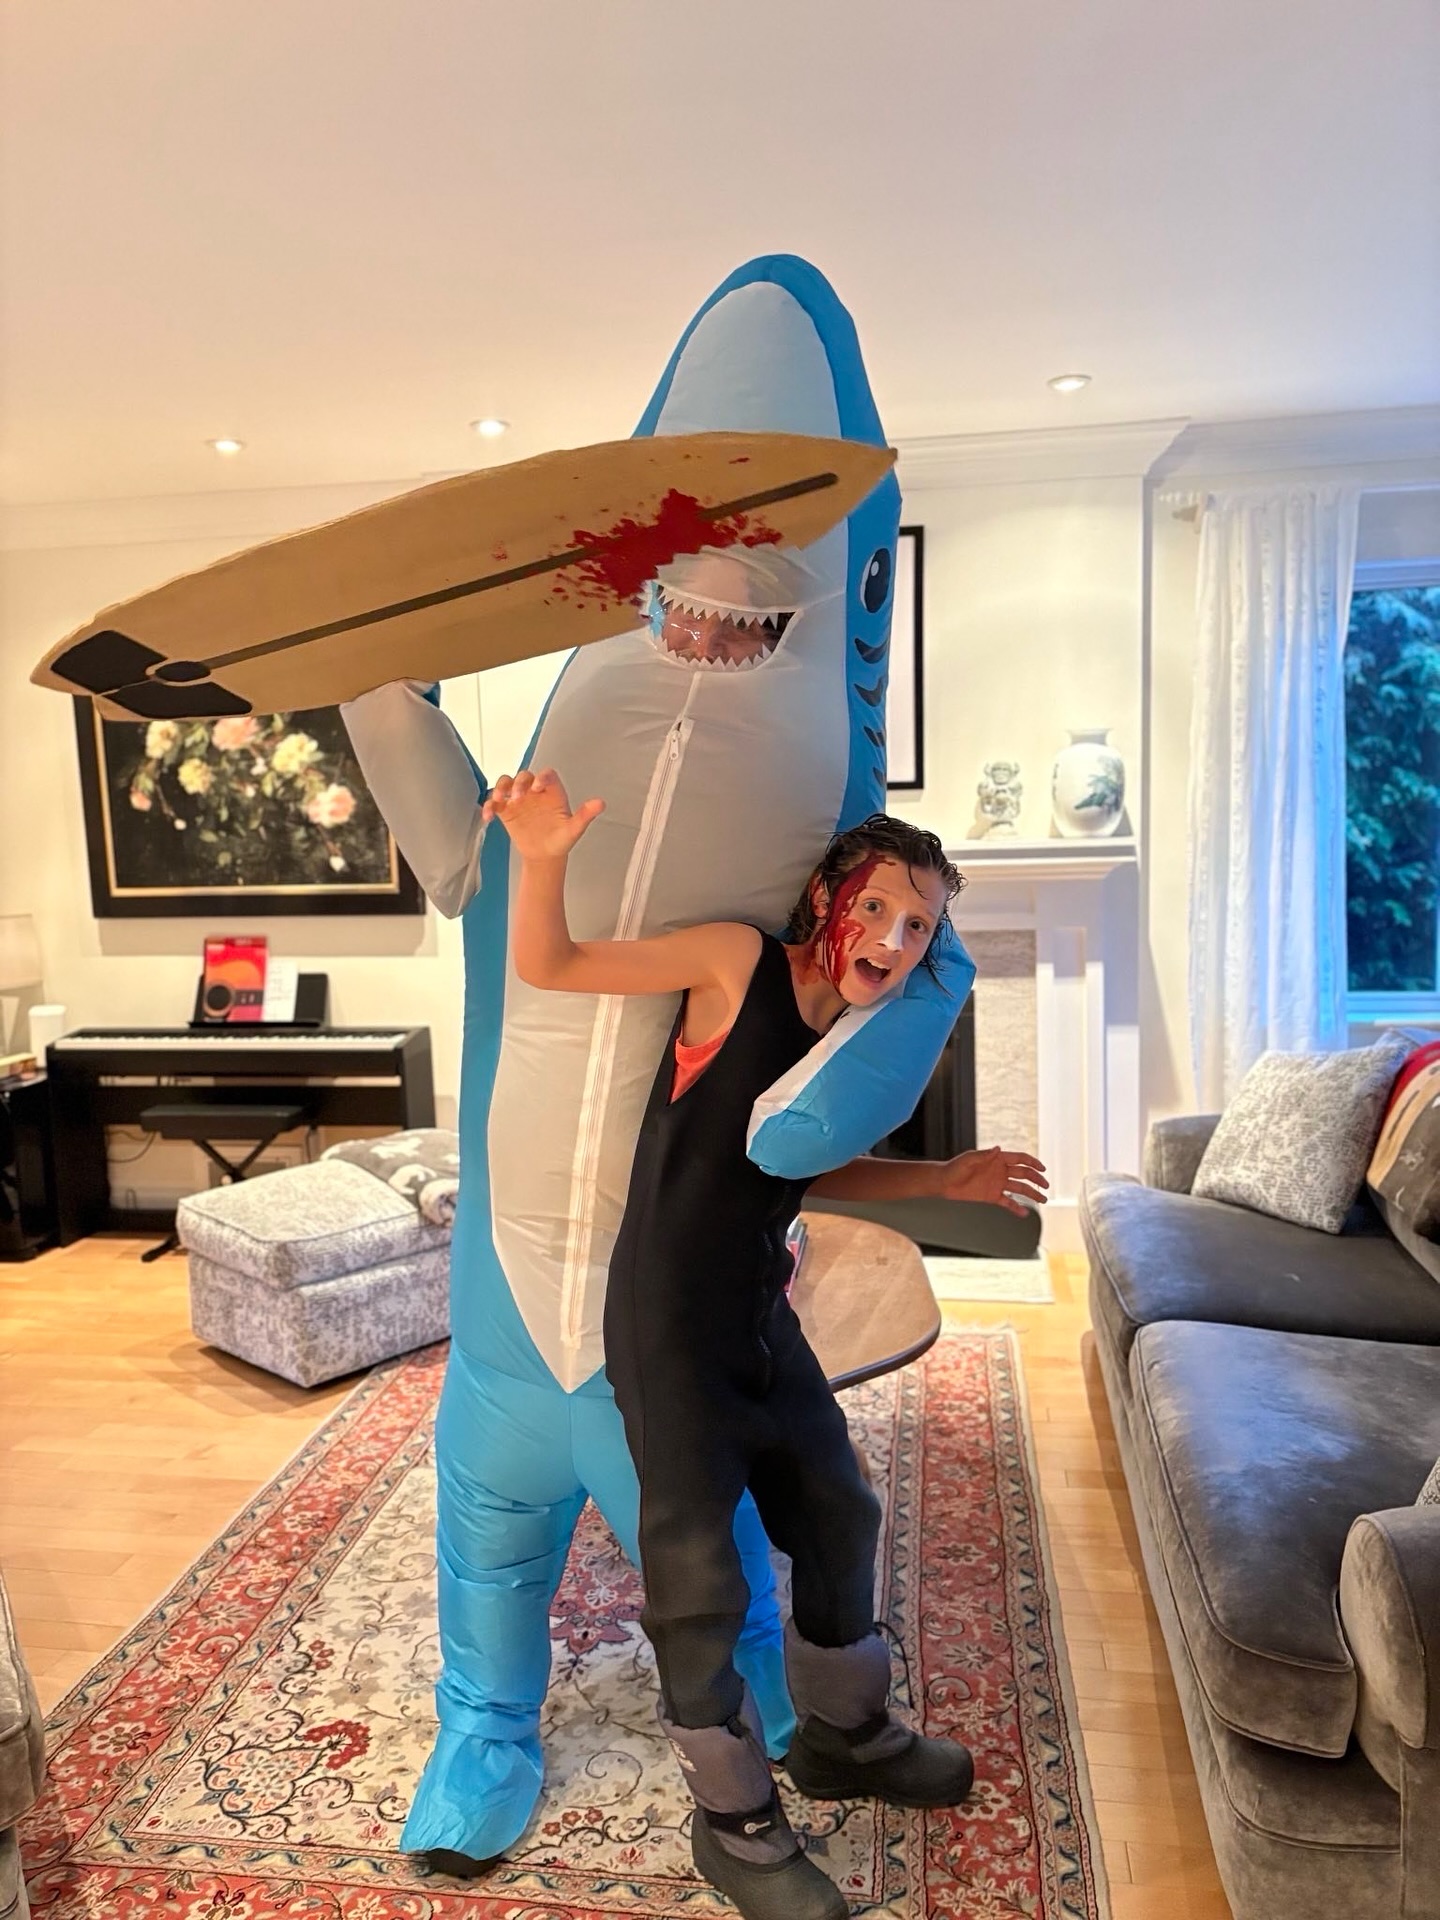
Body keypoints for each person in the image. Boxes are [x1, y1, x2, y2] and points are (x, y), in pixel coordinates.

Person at [484, 767, 1047, 1920]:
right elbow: (555, 965)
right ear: (833, 894)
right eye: (881, 907)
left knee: (839, 1511)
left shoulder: (850, 1029)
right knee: (697, 1581)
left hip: (754, 1313)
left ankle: (846, 1734)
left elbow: (791, 1163)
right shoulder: (734, 963)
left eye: (920, 926)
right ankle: (733, 1823)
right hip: (664, 1325)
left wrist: (946, 1176)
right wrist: (541, 855)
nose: (894, 940)